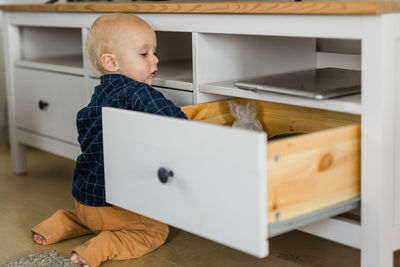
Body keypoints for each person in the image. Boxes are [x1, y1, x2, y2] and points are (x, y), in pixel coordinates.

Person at [31, 13, 188, 267]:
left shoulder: (100, 93)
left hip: (83, 198)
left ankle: (54, 226)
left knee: (87, 218)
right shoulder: (140, 92)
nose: (155, 59)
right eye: (144, 53)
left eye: (154, 52)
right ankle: (97, 248)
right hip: (112, 206)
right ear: (111, 62)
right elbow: (177, 123)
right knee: (155, 230)